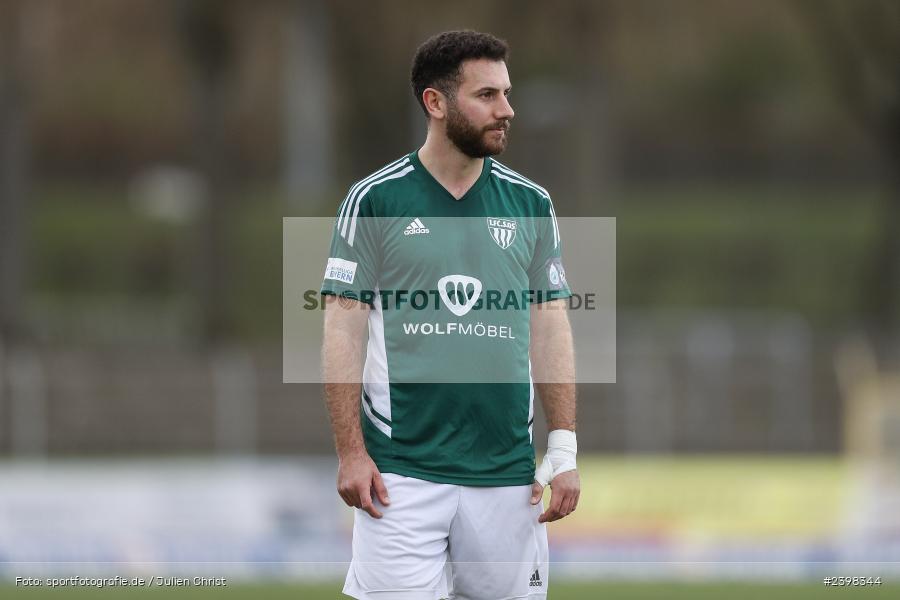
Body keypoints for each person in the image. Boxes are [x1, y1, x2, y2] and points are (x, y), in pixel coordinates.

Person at [321, 30, 579, 600]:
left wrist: (562, 447)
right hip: (399, 476)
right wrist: (350, 452)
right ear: (435, 104)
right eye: (487, 95)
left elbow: (550, 325)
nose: (506, 110)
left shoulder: (532, 205)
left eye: (507, 94)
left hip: (510, 478)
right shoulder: (375, 201)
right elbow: (342, 326)